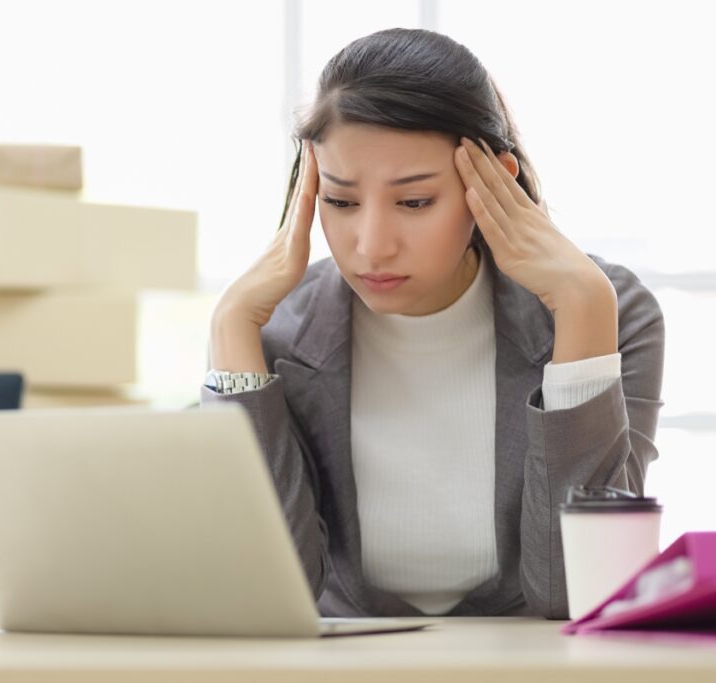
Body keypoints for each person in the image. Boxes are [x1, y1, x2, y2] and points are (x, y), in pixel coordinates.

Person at [200, 28, 664, 620]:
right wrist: (231, 328)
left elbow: (580, 592)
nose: (371, 247)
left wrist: (581, 312)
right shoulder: (271, 334)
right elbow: (263, 596)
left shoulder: (608, 309)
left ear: (488, 182)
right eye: (340, 202)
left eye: (414, 202)